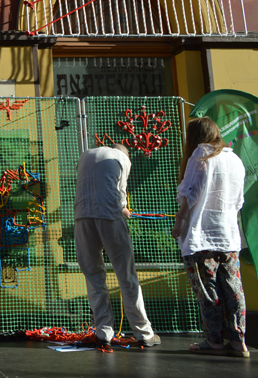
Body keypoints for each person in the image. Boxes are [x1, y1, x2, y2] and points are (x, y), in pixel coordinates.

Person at [172, 117, 248, 357]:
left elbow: (190, 191)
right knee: (233, 288)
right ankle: (239, 341)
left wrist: (180, 220)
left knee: (208, 289)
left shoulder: (200, 155)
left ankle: (214, 340)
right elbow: (238, 201)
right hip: (228, 236)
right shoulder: (234, 158)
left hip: (201, 235)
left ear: (195, 136)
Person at [74, 144, 161, 349]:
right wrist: (122, 207)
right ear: (125, 153)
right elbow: (120, 189)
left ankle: (103, 332)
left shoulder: (86, 154)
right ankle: (144, 333)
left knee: (94, 275)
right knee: (126, 275)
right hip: (109, 215)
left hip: (82, 215)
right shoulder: (122, 157)